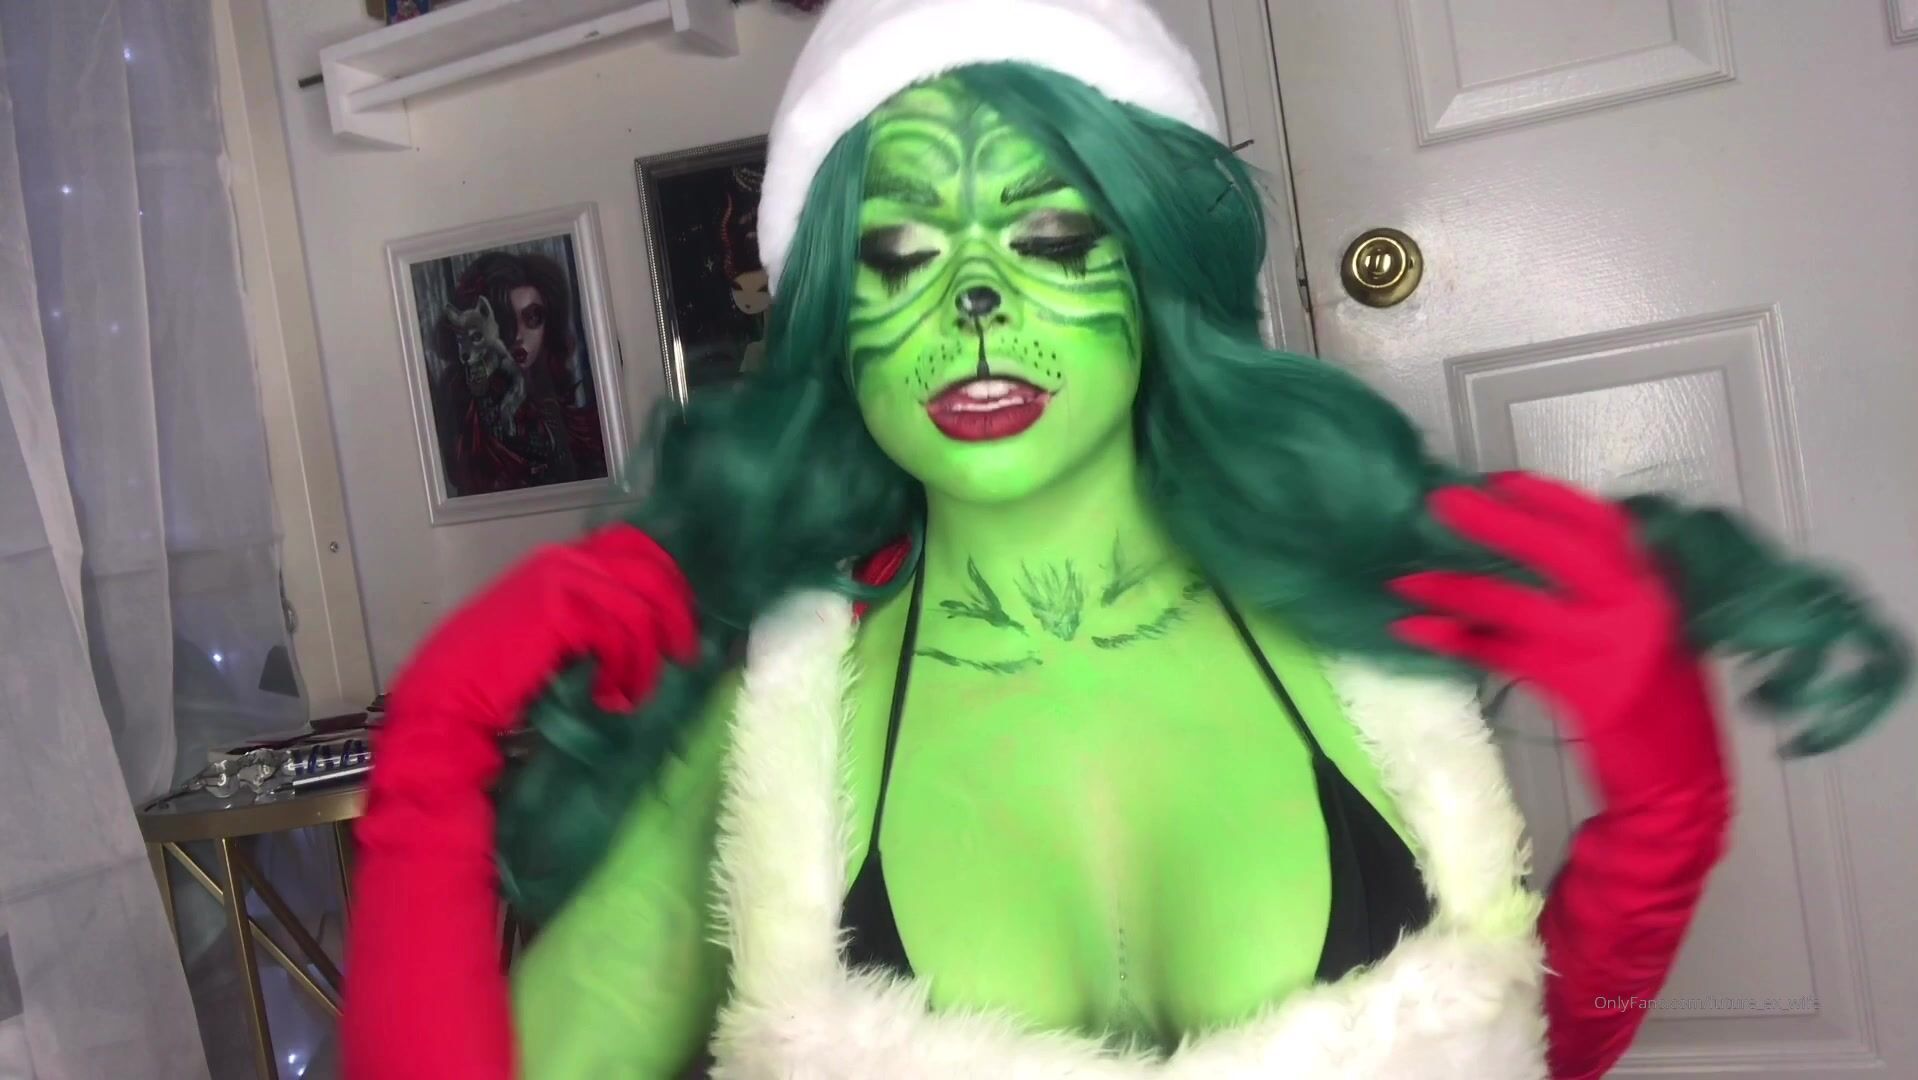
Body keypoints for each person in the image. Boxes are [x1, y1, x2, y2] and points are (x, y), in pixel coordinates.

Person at [342, 2, 1908, 1077]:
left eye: (1049, 236)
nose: (973, 300)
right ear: (829, 320)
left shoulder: (1367, 652)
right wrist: (428, 780)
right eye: (898, 254)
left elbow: (1517, 1053)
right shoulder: (769, 729)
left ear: (1159, 270)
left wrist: (1659, 828)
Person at [434, 250, 607, 494]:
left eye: (532, 317)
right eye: (505, 319)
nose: (518, 335)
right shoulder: (470, 405)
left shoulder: (554, 402)